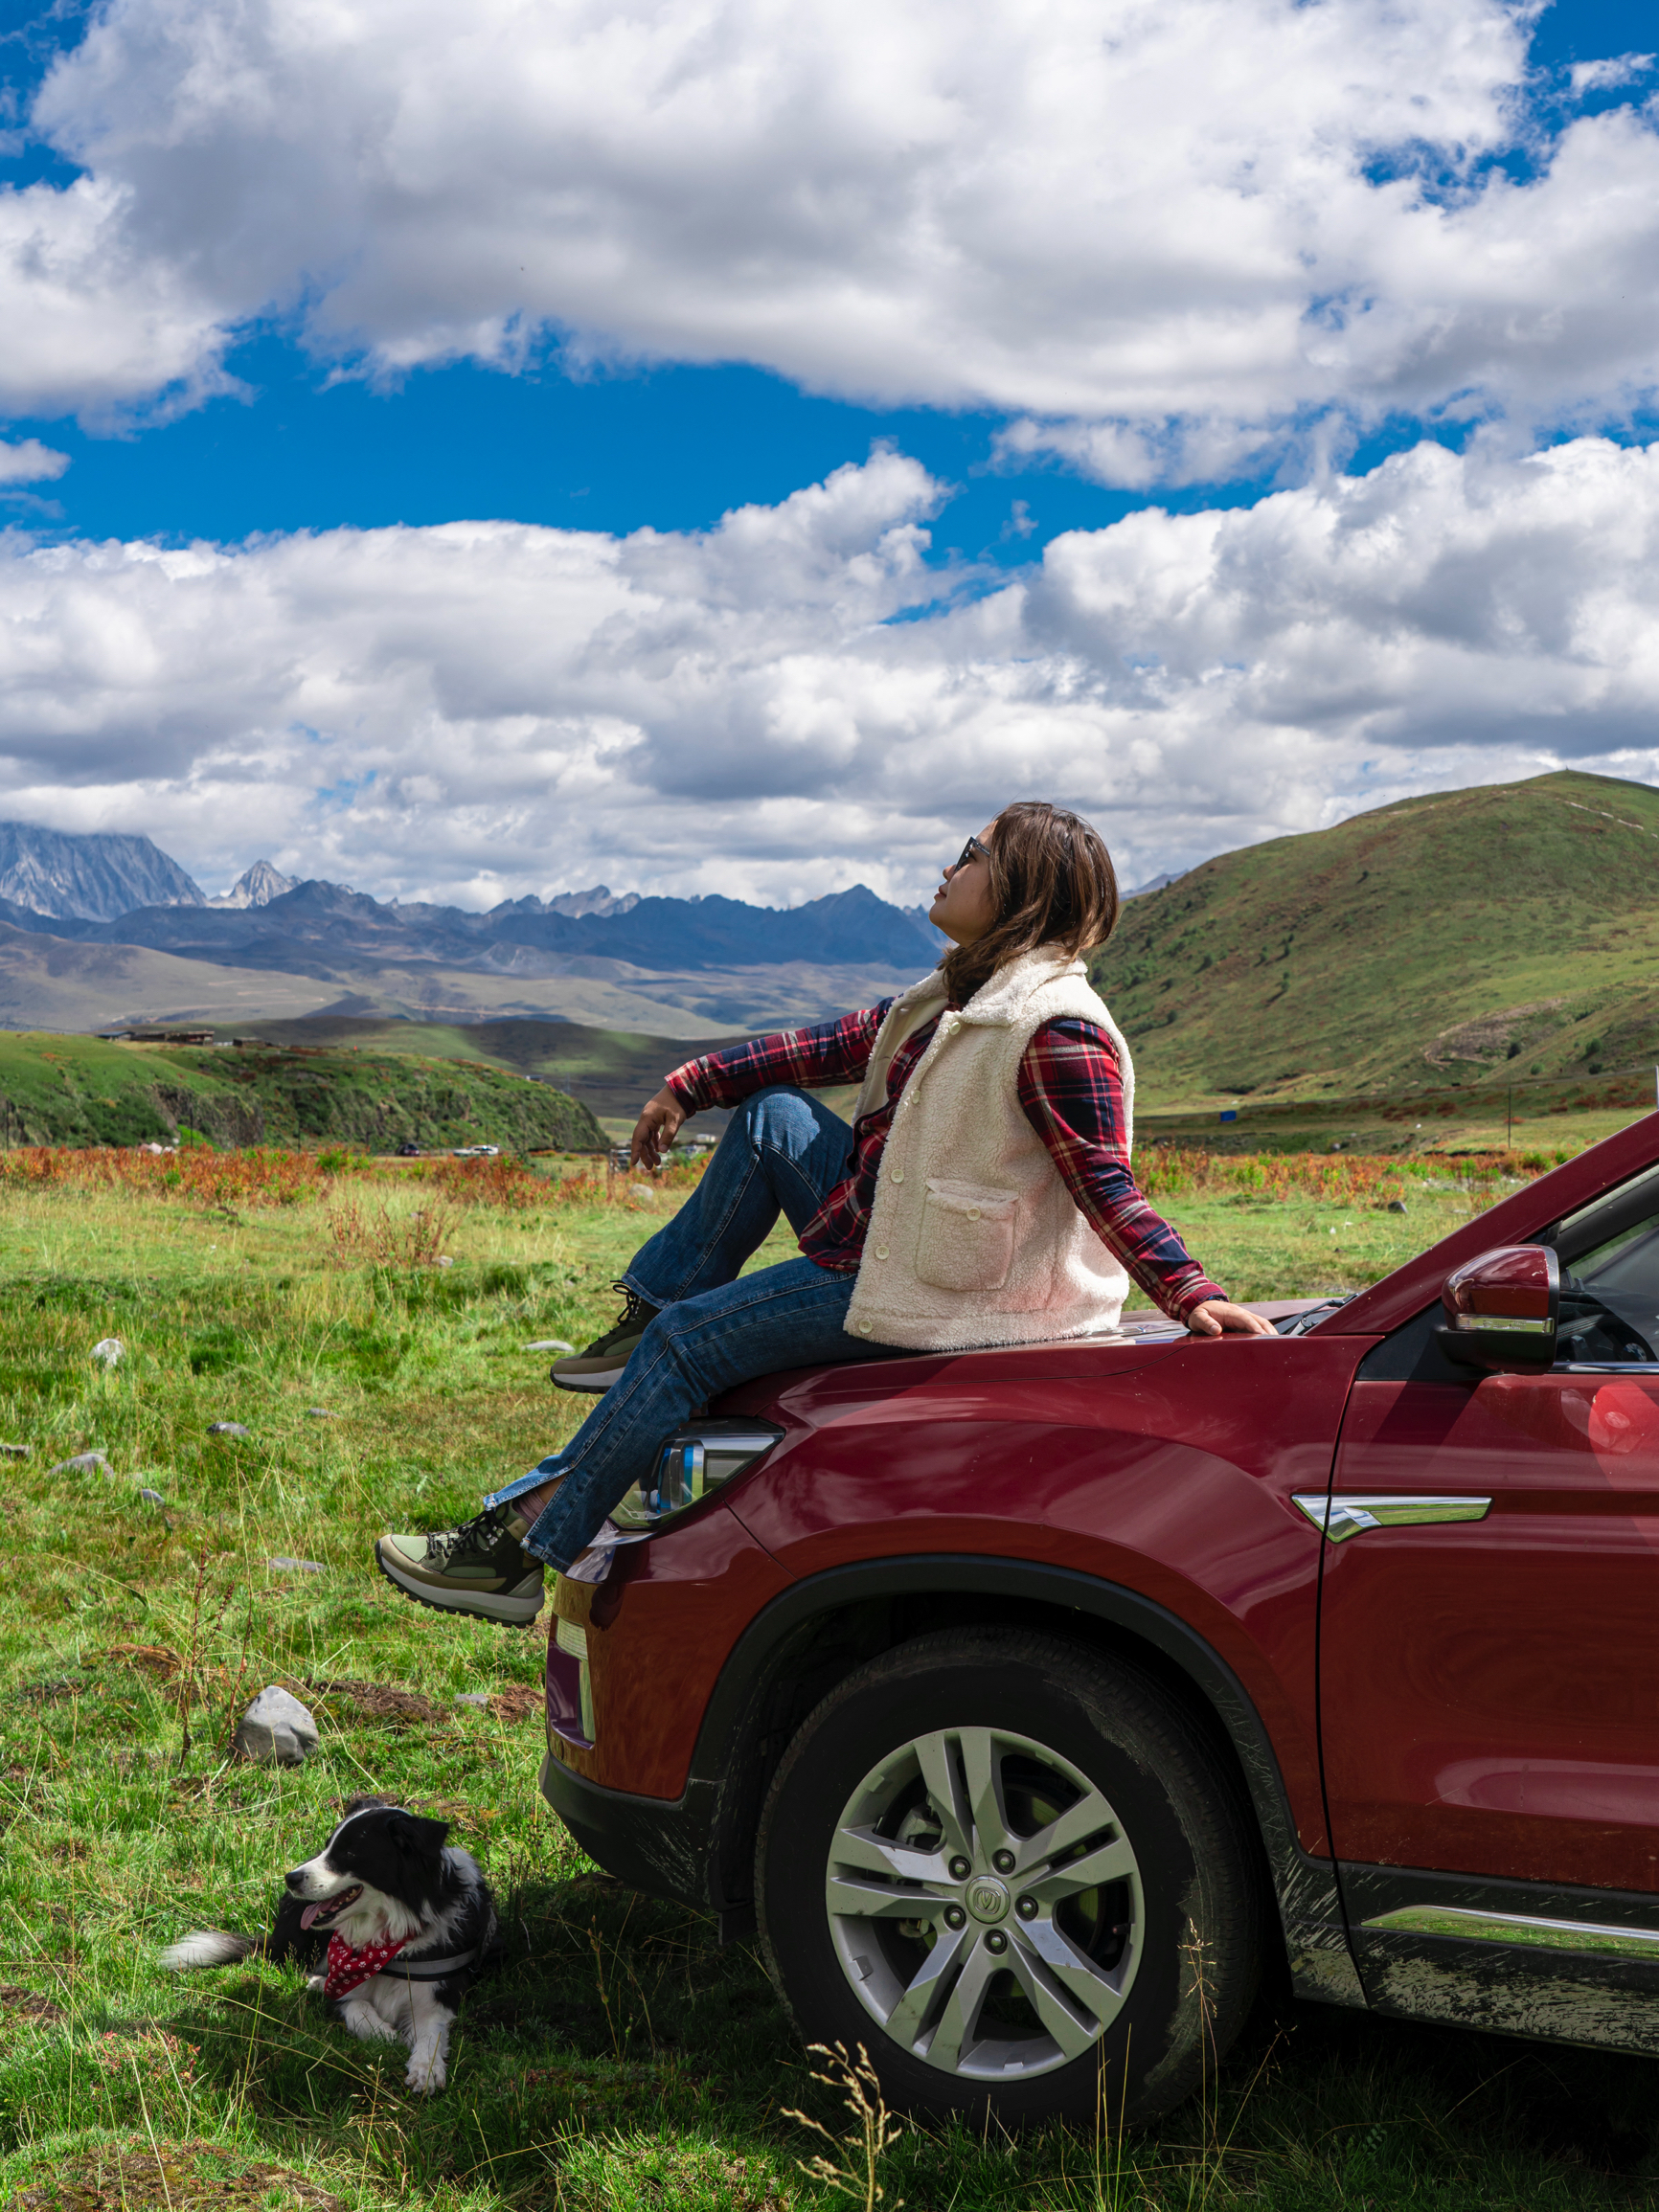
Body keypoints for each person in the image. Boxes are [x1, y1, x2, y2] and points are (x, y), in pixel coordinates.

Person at [375, 801, 1272, 1626]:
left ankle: (516, 1554)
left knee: (691, 1345)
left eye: (975, 854)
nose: (950, 865)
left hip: (945, 1290)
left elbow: (1105, 1182)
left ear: (1022, 893)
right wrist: (691, 1084)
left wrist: (1189, 1292)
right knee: (771, 1120)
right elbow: (824, 1047)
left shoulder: (1054, 1029)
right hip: (898, 1234)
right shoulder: (958, 993)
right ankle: (639, 1329)